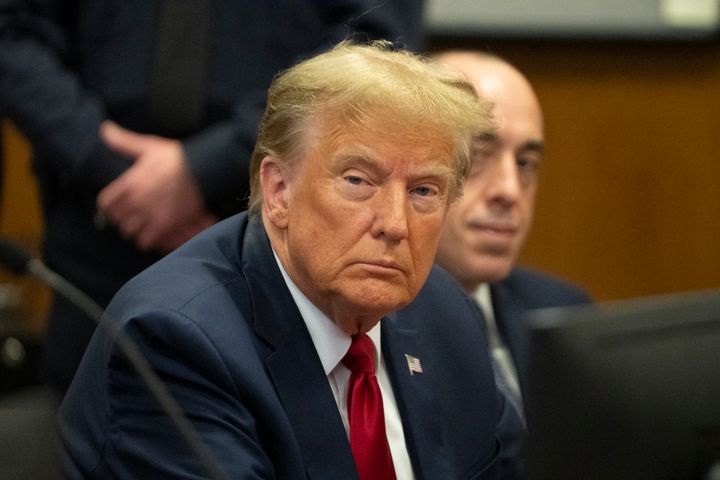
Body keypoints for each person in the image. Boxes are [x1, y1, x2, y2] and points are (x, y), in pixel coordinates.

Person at [58, 41, 521, 479]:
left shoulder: (447, 317)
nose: (395, 224)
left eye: (423, 191)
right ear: (279, 190)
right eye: (359, 181)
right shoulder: (176, 342)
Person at [0, 1, 425, 395]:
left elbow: (375, 38)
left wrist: (208, 166)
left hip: (284, 227)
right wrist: (104, 161)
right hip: (99, 224)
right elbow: (12, 30)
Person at [433, 51, 591, 397]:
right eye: (476, 156)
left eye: (525, 163)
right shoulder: (369, 335)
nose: (509, 190)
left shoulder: (564, 316)